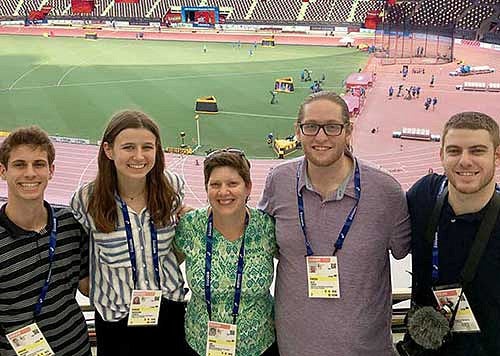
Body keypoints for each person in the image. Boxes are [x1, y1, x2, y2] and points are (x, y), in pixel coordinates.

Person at [257, 91, 411, 355]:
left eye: (332, 127)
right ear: (298, 130)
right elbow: (258, 239)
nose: (320, 136)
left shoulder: (386, 191)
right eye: (311, 126)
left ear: (348, 131)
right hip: (294, 348)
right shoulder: (278, 181)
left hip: (366, 350)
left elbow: (410, 248)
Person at [70, 110, 187, 356]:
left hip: (169, 310)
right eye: (128, 147)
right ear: (108, 150)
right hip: (116, 318)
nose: (139, 156)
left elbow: (179, 245)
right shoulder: (86, 200)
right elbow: (77, 252)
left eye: (147, 147)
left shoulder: (173, 189)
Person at [407, 111, 500, 356]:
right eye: (454, 151)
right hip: (424, 346)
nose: (465, 161)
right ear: (441, 155)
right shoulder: (423, 195)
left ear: (497, 156)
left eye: (477, 151)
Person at [175, 149, 278, 356]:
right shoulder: (190, 226)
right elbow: (164, 264)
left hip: (260, 346)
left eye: (232, 184)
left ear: (248, 187)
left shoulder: (267, 227)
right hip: (200, 345)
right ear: (206, 188)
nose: (223, 192)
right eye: (215, 184)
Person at [0, 126, 91, 356]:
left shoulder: (70, 223)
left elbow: (87, 286)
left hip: (76, 348)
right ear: (3, 171)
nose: (30, 173)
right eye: (20, 164)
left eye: (38, 164)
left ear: (51, 171)